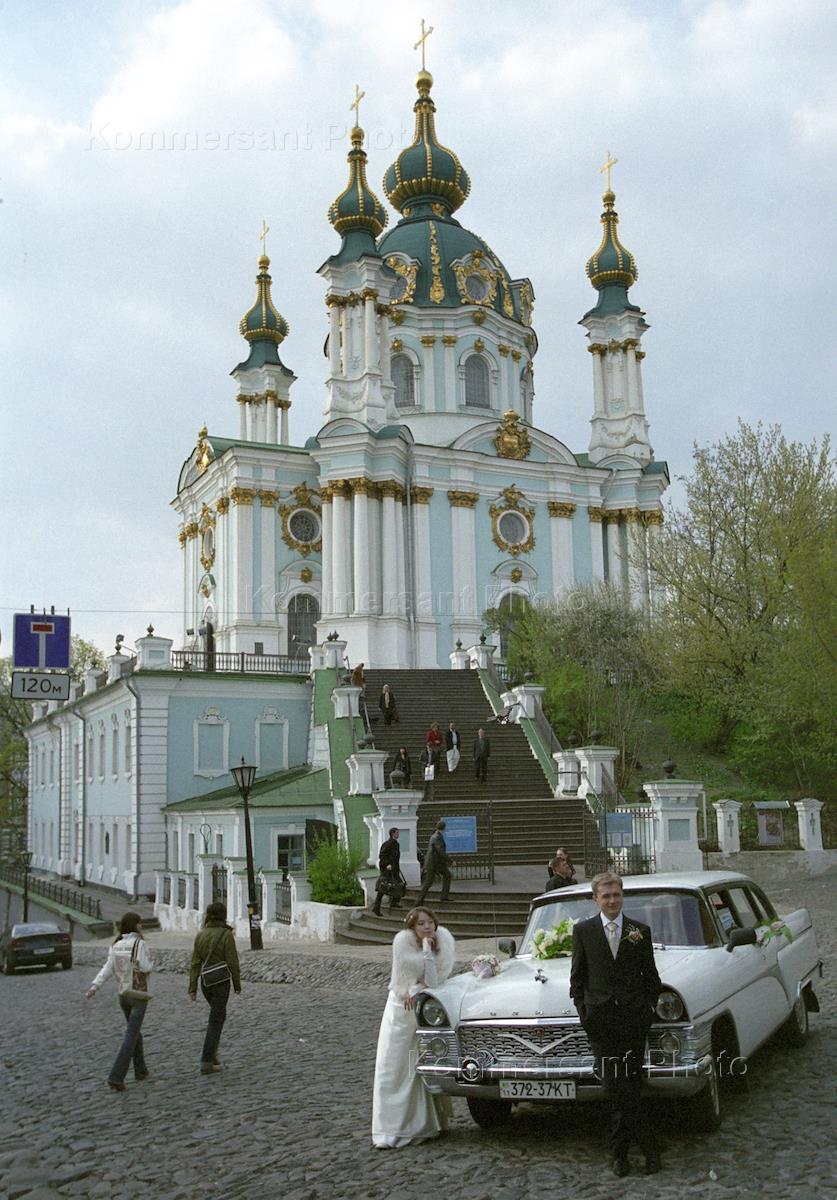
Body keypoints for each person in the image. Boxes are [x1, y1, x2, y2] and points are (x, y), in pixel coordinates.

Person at [570, 872, 662, 1177]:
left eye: (617, 895)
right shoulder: (584, 931)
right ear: (595, 898)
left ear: (623, 896)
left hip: (633, 1023)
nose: (612, 901)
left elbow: (652, 979)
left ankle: (631, 1153)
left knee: (633, 1088)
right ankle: (639, 1149)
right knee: (613, 1089)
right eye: (606, 896)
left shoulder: (639, 931)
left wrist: (646, 1012)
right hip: (601, 1024)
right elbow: (578, 981)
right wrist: (586, 1015)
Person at [371, 907, 456, 1148]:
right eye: (421, 923)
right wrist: (413, 987)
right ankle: (392, 1128)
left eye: (430, 922)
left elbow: (433, 980)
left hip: (423, 1010)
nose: (427, 927)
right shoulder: (402, 945)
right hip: (401, 1010)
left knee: (421, 1065)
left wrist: (428, 952)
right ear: (412, 928)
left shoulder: (443, 944)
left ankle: (427, 1123)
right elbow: (405, 979)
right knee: (396, 1066)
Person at [85, 911, 154, 1091]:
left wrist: (95, 986)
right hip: (138, 994)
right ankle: (116, 1076)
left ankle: (141, 1070)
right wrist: (151, 964)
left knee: (134, 1032)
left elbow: (108, 968)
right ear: (135, 925)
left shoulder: (116, 945)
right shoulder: (140, 943)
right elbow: (145, 966)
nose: (141, 926)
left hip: (123, 994)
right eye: (139, 923)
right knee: (131, 1035)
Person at [188, 901, 242, 1074]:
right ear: (223, 915)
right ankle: (206, 1061)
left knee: (217, 1016)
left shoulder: (201, 935)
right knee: (216, 1020)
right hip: (221, 982)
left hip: (206, 983)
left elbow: (195, 963)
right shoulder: (226, 935)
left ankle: (212, 1055)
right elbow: (233, 961)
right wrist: (237, 984)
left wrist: (193, 987)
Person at [416, 820, 451, 905]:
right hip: (434, 863)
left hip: (435, 863)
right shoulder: (437, 837)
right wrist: (450, 860)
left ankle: (443, 897)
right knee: (429, 882)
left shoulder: (435, 835)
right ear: (444, 828)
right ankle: (419, 901)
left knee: (446, 876)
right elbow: (439, 850)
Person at [373, 828, 404, 916]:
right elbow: (382, 855)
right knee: (382, 889)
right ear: (392, 833)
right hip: (387, 870)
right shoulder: (388, 844)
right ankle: (376, 908)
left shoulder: (396, 844)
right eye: (397, 833)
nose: (398, 834)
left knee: (398, 885)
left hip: (394, 869)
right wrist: (387, 864)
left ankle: (394, 902)